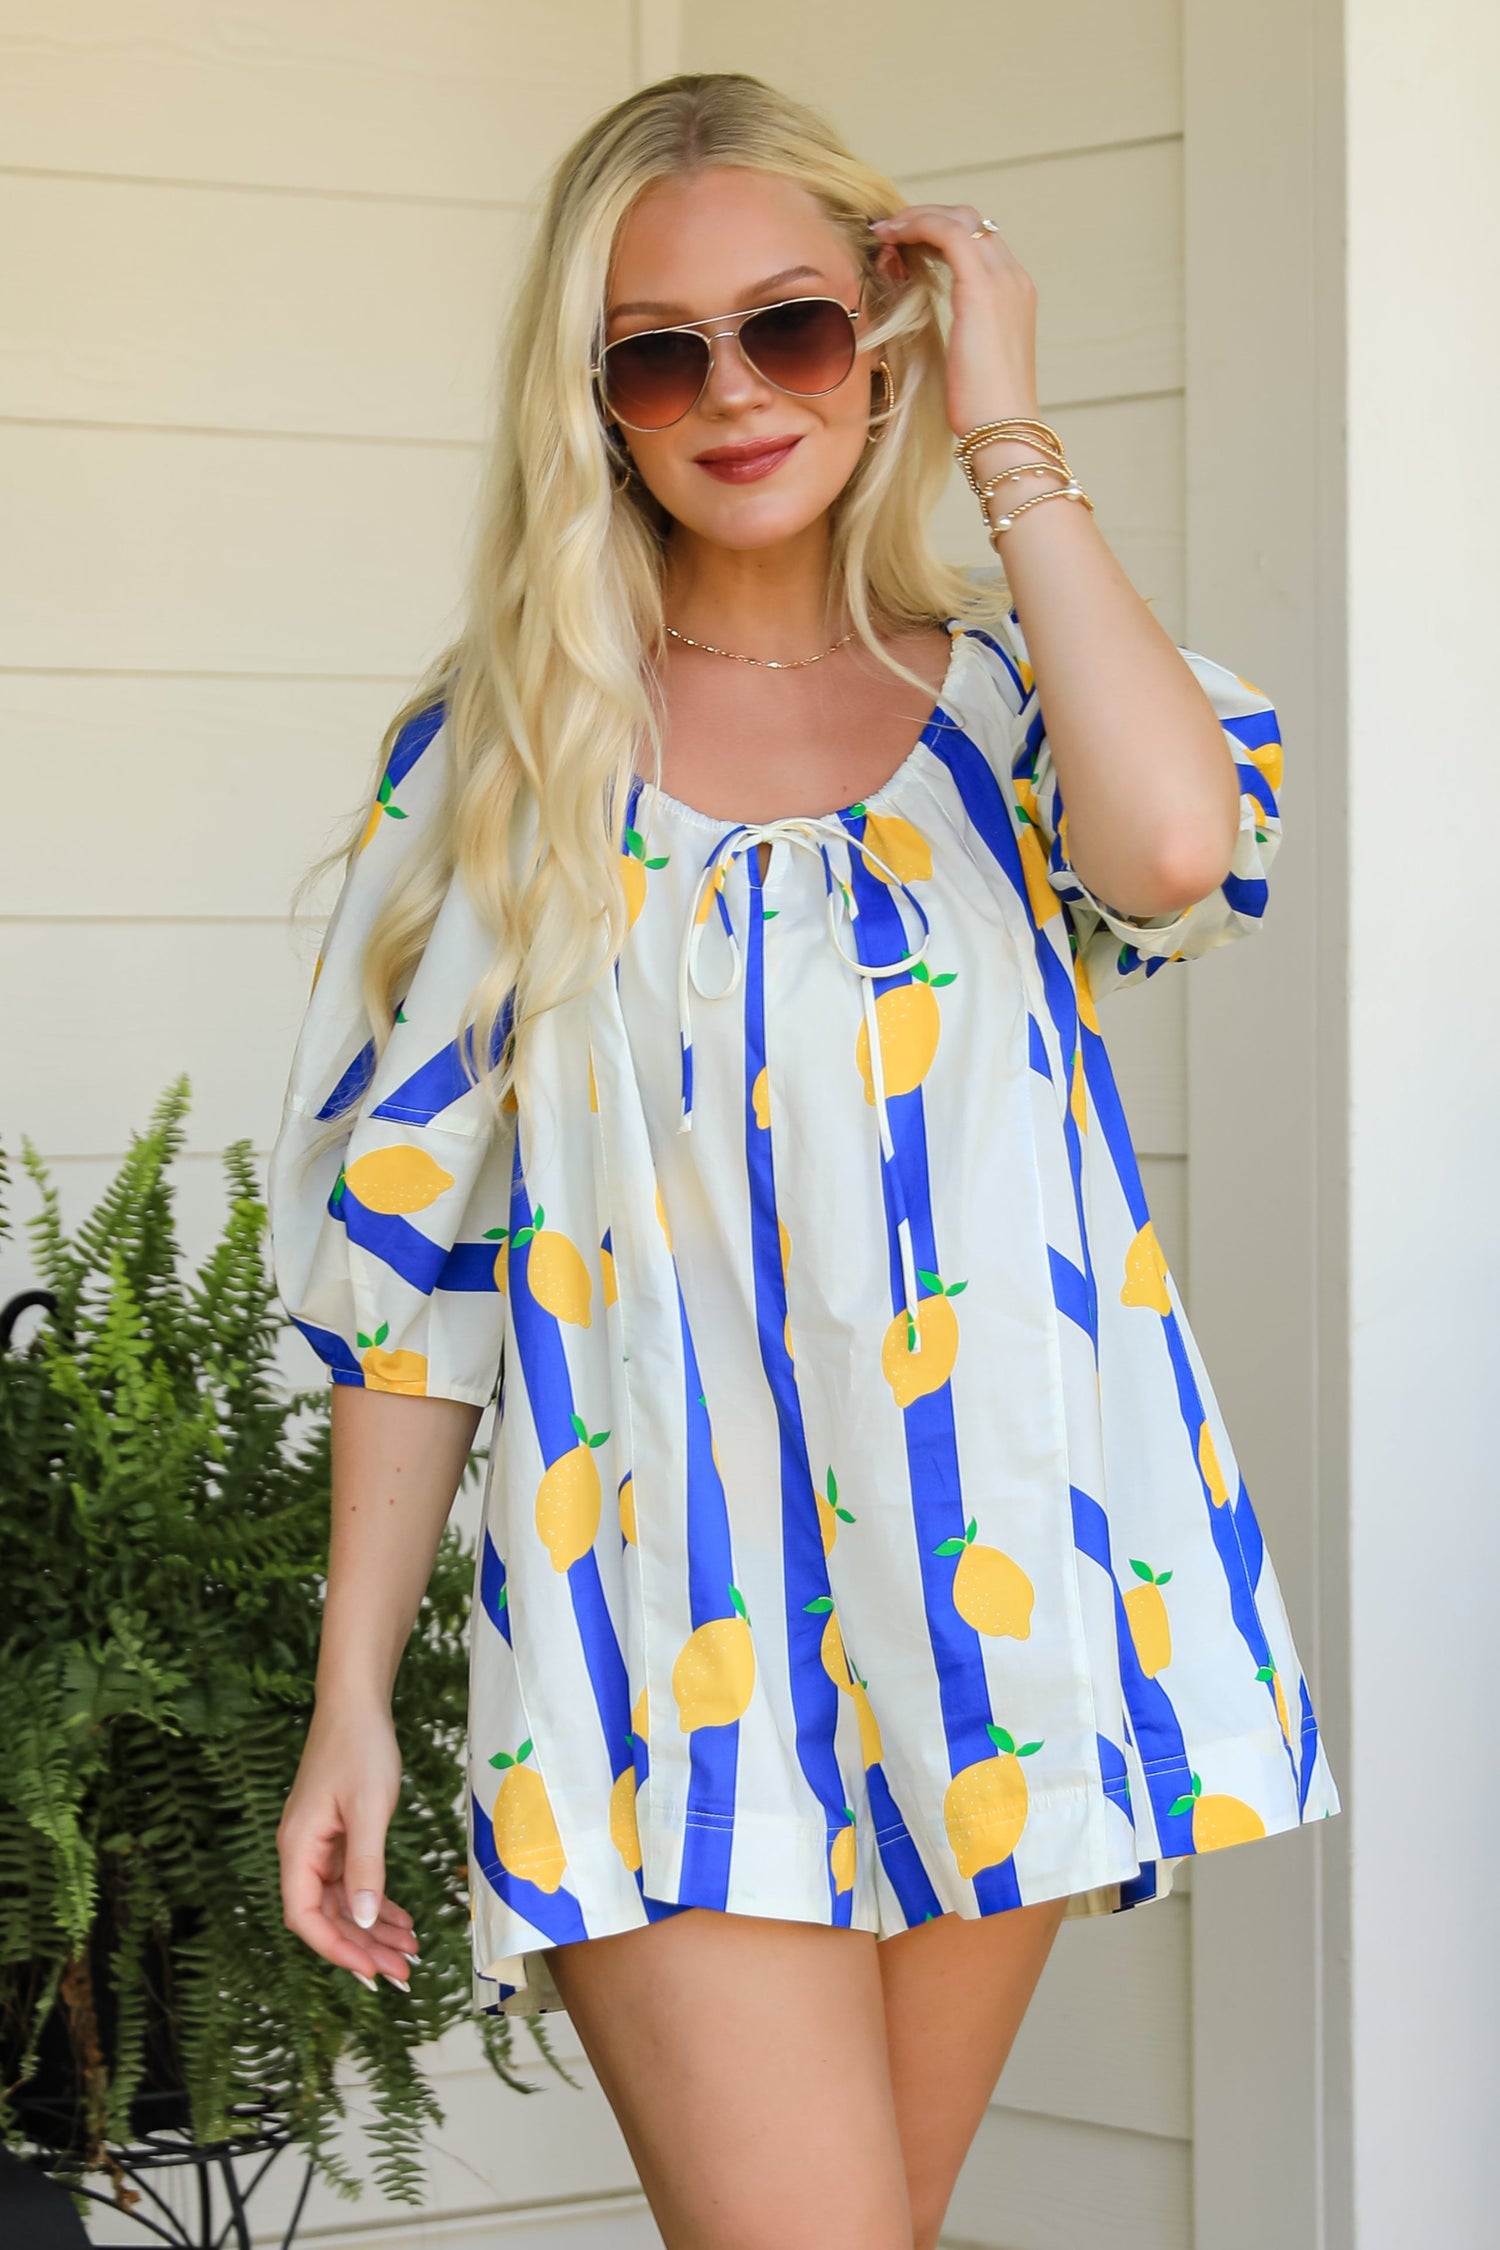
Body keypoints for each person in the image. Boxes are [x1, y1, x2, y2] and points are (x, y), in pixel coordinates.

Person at [268, 71, 1338, 2250]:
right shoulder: (505, 762)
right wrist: (349, 1696)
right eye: (660, 356)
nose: (737, 394)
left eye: (793, 327)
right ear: (596, 406)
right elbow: (415, 1269)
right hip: (654, 1633)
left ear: (885, 335)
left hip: (994, 1607)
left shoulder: (1013, 714)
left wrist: (1008, 426)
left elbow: (1172, 849)